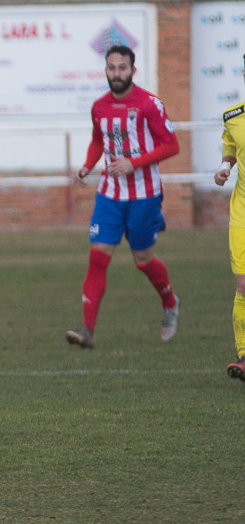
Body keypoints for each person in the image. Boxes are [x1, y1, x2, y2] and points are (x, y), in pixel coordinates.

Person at [64, 44, 180, 350]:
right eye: (112, 68)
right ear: (106, 70)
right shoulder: (99, 107)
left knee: (142, 260)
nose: (117, 74)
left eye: (122, 68)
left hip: (144, 194)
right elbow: (97, 141)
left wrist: (133, 163)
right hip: (109, 195)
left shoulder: (148, 105)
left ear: (133, 70)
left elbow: (171, 145)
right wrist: (87, 166)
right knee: (97, 257)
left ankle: (170, 302)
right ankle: (87, 329)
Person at [214, 66, 245, 380]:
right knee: (244, 286)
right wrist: (224, 167)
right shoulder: (233, 117)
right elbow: (231, 149)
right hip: (242, 216)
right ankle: (244, 354)